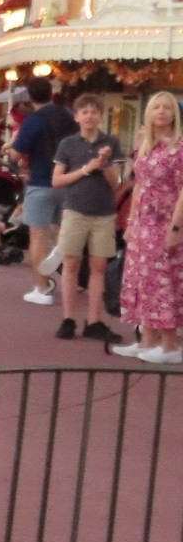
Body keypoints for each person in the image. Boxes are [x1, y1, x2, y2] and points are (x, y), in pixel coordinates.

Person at [113, 92, 183, 364]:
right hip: (144, 222)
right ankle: (146, 340)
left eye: (167, 108)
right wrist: (131, 221)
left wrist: (176, 228)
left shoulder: (178, 149)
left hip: (166, 221)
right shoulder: (146, 147)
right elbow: (139, 184)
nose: (162, 112)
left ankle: (170, 345)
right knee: (142, 281)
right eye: (157, 107)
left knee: (163, 282)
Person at [50, 95, 122, 345]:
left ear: (101, 115)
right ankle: (68, 318)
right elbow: (57, 180)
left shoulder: (111, 143)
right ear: (77, 116)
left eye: (94, 111)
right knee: (71, 263)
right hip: (75, 210)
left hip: (103, 212)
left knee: (99, 266)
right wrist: (86, 169)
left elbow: (116, 183)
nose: (90, 116)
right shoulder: (68, 145)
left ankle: (94, 320)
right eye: (85, 112)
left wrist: (104, 165)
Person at [10, 79, 76, 308]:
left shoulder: (33, 121)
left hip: (41, 182)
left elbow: (16, 155)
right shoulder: (68, 116)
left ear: (29, 97)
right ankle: (70, 282)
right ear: (51, 93)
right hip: (69, 181)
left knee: (37, 236)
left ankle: (42, 288)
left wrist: (11, 150)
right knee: (62, 232)